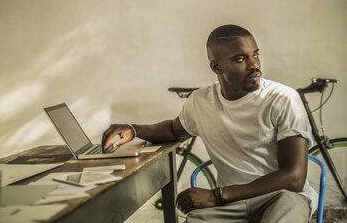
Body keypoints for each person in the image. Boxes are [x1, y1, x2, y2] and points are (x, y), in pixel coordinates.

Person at [101, 24, 316, 223]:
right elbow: (173, 130)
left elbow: (294, 178)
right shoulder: (201, 102)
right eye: (241, 58)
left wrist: (217, 195)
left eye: (255, 55)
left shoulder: (283, 98)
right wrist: (134, 129)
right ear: (216, 66)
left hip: (282, 197)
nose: (254, 65)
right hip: (231, 205)